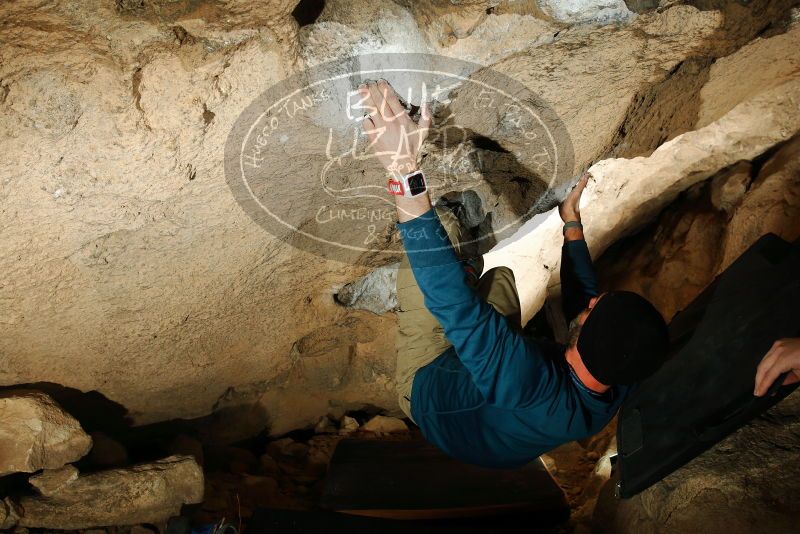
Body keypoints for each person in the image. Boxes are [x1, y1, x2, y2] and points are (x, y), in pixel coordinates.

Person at [358, 80, 670, 468]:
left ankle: (459, 257)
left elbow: (451, 301)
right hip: (493, 418)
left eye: (594, 308)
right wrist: (571, 224)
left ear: (587, 339)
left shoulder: (526, 379)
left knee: (441, 232)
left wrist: (404, 170)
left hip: (428, 386)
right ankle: (469, 268)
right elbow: (582, 305)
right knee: (502, 278)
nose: (590, 300)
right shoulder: (613, 378)